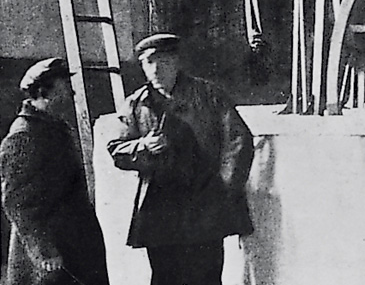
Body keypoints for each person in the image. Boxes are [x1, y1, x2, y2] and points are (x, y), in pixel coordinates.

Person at [107, 33, 254, 285]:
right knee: (165, 277)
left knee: (206, 276)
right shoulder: (136, 104)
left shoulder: (208, 95)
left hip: (204, 207)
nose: (155, 69)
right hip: (160, 211)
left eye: (162, 61)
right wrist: (143, 147)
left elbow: (238, 142)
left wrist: (223, 191)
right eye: (148, 62)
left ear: (176, 61)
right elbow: (116, 149)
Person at [0, 57, 110, 285]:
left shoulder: (55, 128)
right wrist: (44, 250)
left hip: (74, 246)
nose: (72, 94)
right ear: (44, 92)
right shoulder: (24, 135)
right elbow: (18, 202)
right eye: (65, 87)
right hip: (51, 258)